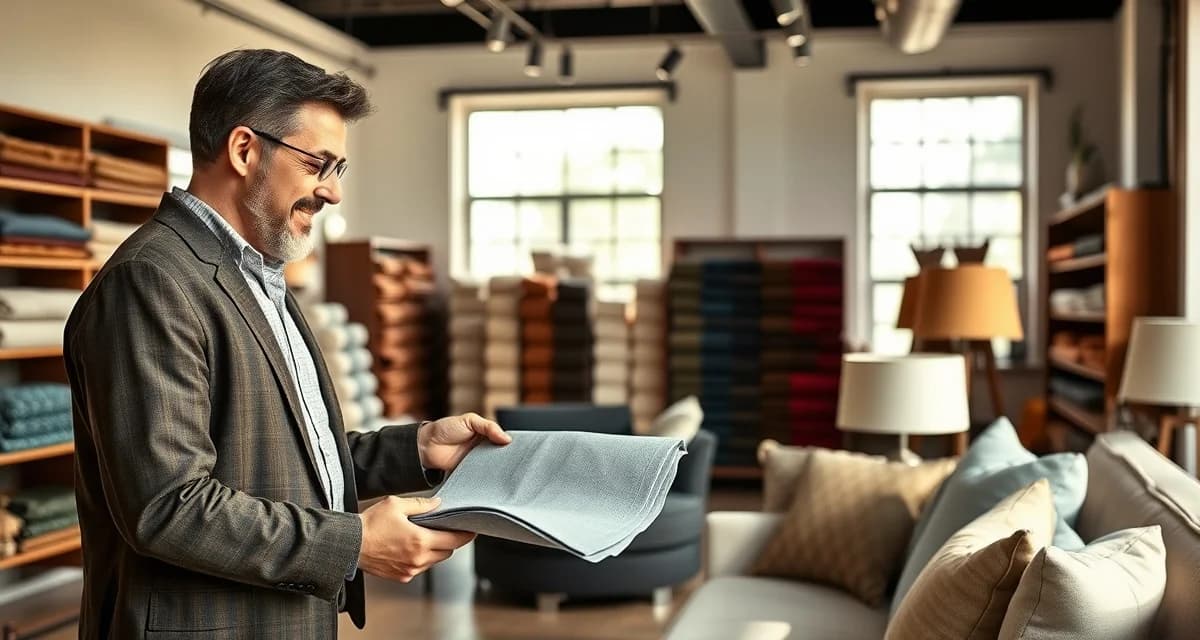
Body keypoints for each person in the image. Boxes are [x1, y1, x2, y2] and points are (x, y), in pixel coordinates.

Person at [62, 48, 509, 639]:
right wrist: (352, 545)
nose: (332, 193)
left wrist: (418, 449)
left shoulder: (259, 276)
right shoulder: (152, 282)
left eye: (337, 170)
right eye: (317, 164)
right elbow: (168, 506)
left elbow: (285, 458)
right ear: (245, 150)